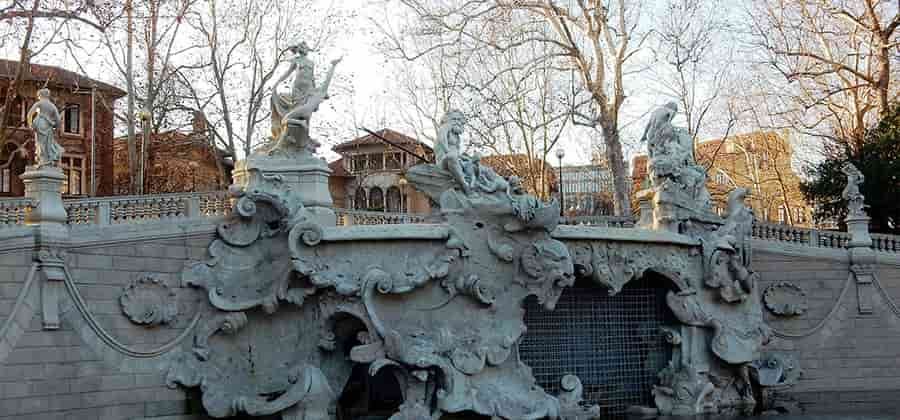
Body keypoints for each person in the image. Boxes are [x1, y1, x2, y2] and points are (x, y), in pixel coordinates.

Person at [435, 110, 471, 195]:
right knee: (452, 157)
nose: (457, 122)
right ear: (448, 120)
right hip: (443, 161)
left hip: (455, 160)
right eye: (454, 119)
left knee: (471, 162)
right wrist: (448, 152)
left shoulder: (456, 136)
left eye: (459, 120)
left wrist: (463, 157)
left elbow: (456, 152)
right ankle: (464, 185)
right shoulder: (445, 127)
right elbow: (442, 140)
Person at [27, 88, 63, 167]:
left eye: (38, 96)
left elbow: (29, 114)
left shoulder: (39, 103)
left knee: (40, 143)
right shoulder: (52, 106)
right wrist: (55, 127)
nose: (38, 97)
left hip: (40, 123)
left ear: (40, 95)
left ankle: (43, 161)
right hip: (48, 126)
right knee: (47, 144)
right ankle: (47, 161)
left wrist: (30, 125)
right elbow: (58, 120)